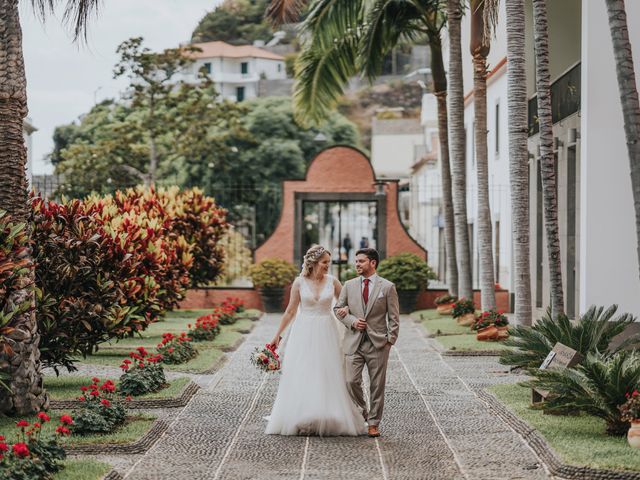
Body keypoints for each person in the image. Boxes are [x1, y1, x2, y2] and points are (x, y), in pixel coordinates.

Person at [265, 245, 366, 436]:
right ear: (313, 263)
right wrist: (276, 336)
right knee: (304, 370)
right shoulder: (299, 283)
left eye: (329, 262)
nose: (328, 265)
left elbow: (348, 304)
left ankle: (328, 413)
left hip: (326, 330)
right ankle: (302, 414)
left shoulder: (333, 282)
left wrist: (349, 315)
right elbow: (290, 311)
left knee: (327, 370)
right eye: (325, 262)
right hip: (303, 331)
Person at [334, 248, 400, 437]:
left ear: (373, 263)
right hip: (353, 341)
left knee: (377, 385)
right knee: (351, 381)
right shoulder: (349, 285)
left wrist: (390, 341)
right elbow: (337, 308)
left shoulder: (387, 287)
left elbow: (394, 317)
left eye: (361, 261)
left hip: (378, 344)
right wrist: (352, 321)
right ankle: (363, 413)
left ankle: (373, 423)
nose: (357, 264)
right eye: (356, 261)